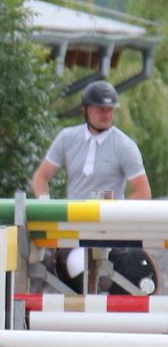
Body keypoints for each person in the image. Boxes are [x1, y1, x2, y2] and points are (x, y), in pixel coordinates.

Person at [29, 79, 152, 290]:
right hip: (75, 227)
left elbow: (143, 192)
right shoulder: (67, 138)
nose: (107, 114)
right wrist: (46, 208)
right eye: (101, 109)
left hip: (110, 230)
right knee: (49, 260)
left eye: (110, 110)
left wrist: (113, 211)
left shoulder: (125, 146)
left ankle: (101, 294)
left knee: (99, 268)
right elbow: (40, 178)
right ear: (85, 110)